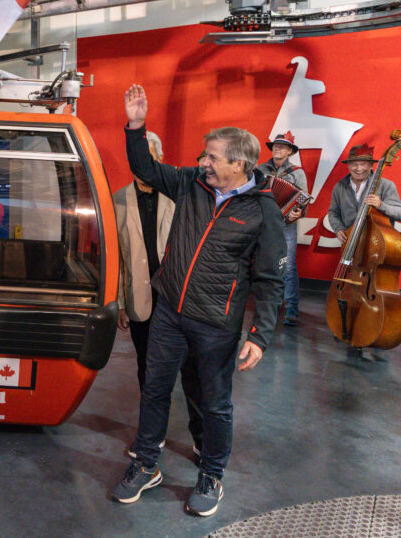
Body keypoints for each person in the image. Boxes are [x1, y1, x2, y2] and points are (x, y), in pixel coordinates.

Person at [111, 85, 285, 518]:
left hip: (216, 325)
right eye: (204, 156)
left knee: (214, 404)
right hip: (169, 312)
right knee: (154, 390)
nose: (203, 162)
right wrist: (136, 125)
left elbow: (269, 279)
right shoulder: (190, 184)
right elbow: (144, 168)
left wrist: (260, 335)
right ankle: (145, 464)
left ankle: (211, 474)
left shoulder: (263, 212)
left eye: (212, 157)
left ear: (238, 164)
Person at [113, 131, 203, 459]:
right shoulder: (118, 200)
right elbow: (118, 258)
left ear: (160, 160)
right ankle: (153, 434)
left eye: (149, 158)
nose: (142, 166)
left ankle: (202, 438)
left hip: (180, 300)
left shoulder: (182, 195)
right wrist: (120, 303)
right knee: (148, 371)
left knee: (192, 372)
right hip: (140, 300)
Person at [257, 132, 307, 326]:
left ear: (289, 152)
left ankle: (292, 309)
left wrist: (298, 213)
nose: (278, 148)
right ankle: (270, 306)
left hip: (287, 225)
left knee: (288, 267)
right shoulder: (260, 170)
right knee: (266, 265)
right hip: (264, 224)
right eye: (276, 145)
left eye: (283, 146)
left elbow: (303, 200)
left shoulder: (297, 172)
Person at [327, 143, 401, 245]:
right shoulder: (339, 187)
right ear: (348, 165)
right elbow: (333, 213)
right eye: (354, 164)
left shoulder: (385, 185)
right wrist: (338, 228)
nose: (358, 168)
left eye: (363, 164)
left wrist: (381, 205)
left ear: (371, 166)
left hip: (378, 245)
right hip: (350, 244)